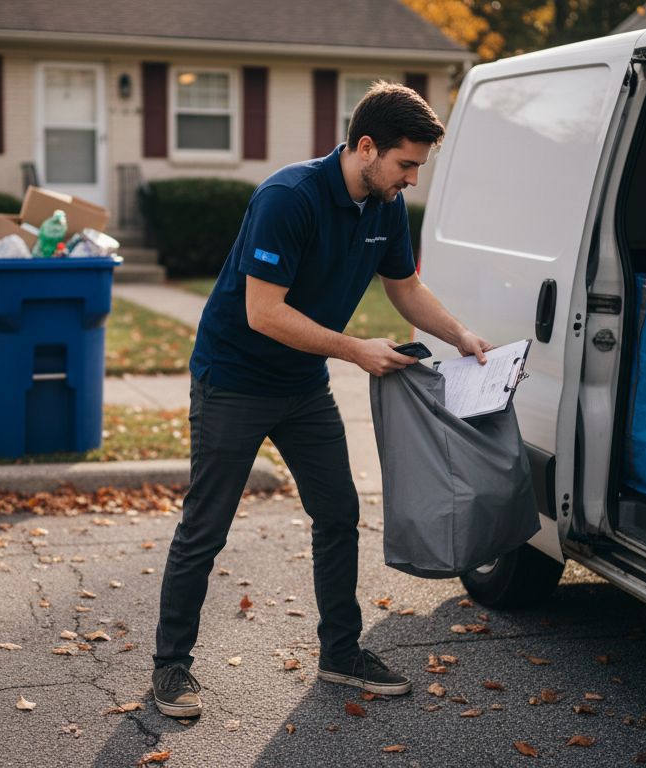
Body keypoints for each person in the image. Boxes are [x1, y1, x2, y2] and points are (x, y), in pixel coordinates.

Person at [151, 82, 490, 718]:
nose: (412, 179)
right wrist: (355, 349)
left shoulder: (384, 204)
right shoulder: (289, 197)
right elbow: (262, 312)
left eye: (417, 166)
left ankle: (340, 654)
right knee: (206, 527)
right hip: (235, 379)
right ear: (367, 147)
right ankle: (171, 667)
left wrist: (461, 334)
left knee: (337, 514)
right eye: (406, 164)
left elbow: (406, 287)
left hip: (302, 386)